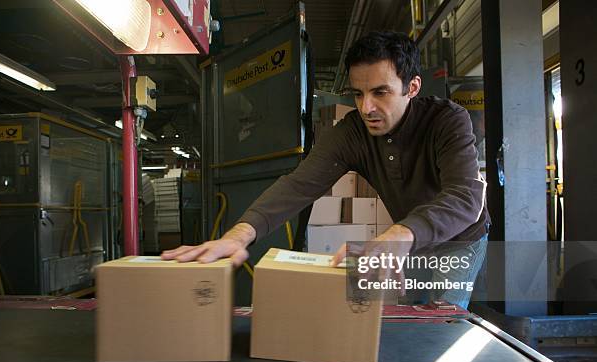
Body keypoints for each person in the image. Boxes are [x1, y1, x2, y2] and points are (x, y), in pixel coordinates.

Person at [162, 31, 490, 308]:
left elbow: (465, 197)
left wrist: (398, 236)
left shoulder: (448, 120)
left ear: (413, 87)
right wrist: (239, 234)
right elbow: (298, 185)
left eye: (380, 92)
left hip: (459, 240)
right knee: (408, 313)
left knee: (443, 319)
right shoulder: (353, 132)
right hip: (407, 237)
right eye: (358, 94)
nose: (366, 108)